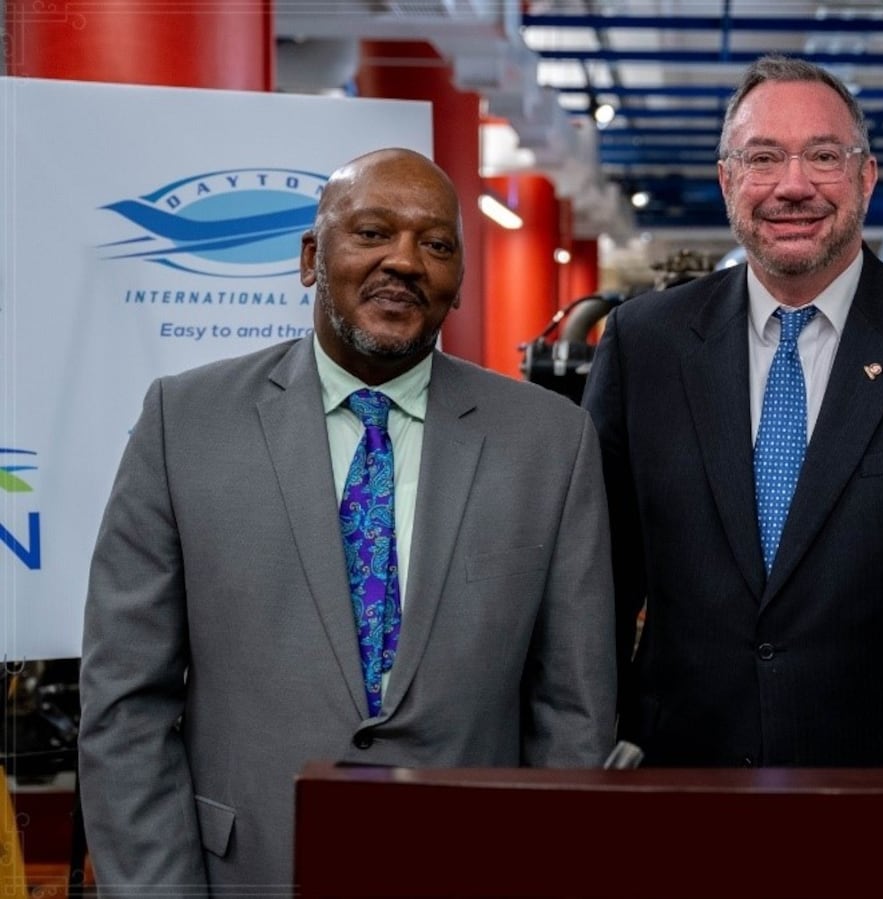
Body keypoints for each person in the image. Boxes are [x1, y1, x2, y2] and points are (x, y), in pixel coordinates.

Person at [78, 147, 616, 893]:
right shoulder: (186, 423)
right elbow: (125, 704)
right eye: (371, 232)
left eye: (435, 244)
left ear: (458, 281)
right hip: (248, 872)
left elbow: (573, 713)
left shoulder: (550, 442)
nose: (404, 260)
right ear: (311, 257)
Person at [582, 55, 883, 767]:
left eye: (822, 156)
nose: (792, 186)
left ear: (865, 177)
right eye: (763, 158)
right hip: (685, 774)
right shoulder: (642, 345)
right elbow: (600, 585)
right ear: (727, 181)